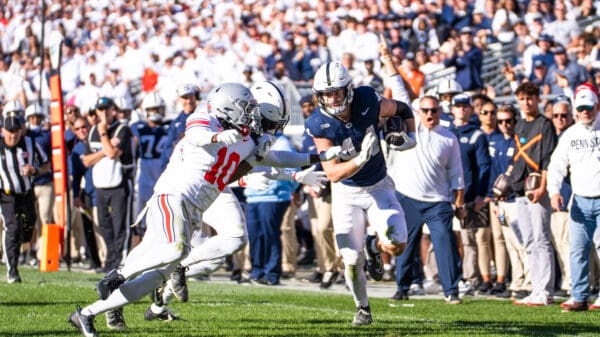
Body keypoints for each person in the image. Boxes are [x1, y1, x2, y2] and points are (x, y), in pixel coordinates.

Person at [69, 83, 262, 337]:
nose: (252, 115)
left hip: (196, 202)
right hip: (174, 195)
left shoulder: (244, 139)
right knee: (173, 250)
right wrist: (218, 137)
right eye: (247, 109)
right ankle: (120, 275)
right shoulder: (203, 119)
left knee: (155, 271)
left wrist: (310, 163)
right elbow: (195, 137)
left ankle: (90, 312)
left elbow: (266, 162)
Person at [305, 36, 414, 325]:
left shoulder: (367, 99)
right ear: (319, 96)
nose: (333, 100)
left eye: (338, 93)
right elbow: (333, 174)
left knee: (397, 243)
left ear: (349, 90)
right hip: (347, 192)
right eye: (327, 95)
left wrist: (410, 137)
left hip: (378, 186)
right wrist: (360, 159)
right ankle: (362, 308)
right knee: (351, 260)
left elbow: (403, 108)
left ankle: (375, 247)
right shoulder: (318, 123)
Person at [389, 95, 464, 304]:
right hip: (407, 197)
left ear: (440, 111)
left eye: (434, 110)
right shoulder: (410, 131)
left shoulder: (449, 138)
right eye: (425, 110)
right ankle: (402, 287)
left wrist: (460, 202)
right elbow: (400, 93)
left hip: (438, 201)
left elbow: (456, 173)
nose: (430, 114)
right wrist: (389, 62)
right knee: (404, 244)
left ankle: (451, 290)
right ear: (418, 112)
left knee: (444, 243)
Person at [548, 86, 600, 311]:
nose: (585, 112)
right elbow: (556, 165)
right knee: (577, 250)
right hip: (579, 200)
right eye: (581, 109)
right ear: (575, 111)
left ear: (597, 107)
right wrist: (554, 191)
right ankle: (579, 296)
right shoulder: (570, 134)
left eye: (589, 108)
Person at [510, 82, 558, 306]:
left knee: (541, 239)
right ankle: (535, 287)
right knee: (529, 240)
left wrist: (543, 187)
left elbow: (548, 158)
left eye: (530, 98)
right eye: (522, 98)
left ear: (538, 99)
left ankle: (546, 290)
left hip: (537, 187)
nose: (526, 102)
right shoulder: (519, 124)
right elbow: (517, 158)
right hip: (521, 188)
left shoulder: (544, 124)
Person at [82, 97, 135, 273]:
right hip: (101, 185)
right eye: (100, 109)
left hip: (119, 183)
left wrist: (104, 133)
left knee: (120, 226)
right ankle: (110, 261)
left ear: (114, 110)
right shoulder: (91, 132)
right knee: (104, 226)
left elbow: (113, 154)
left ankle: (121, 264)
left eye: (107, 109)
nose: (103, 113)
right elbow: (87, 160)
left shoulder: (122, 130)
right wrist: (104, 150)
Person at [1, 114, 50, 283]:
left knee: (29, 225)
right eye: (10, 131)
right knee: (12, 229)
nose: (13, 135)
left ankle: (22, 252)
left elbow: (46, 165)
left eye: (16, 131)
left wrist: (34, 170)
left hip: (27, 192)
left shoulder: (30, 143)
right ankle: (12, 271)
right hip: (7, 195)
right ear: (3, 130)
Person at [159, 83, 201, 170]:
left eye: (191, 97)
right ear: (179, 99)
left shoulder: (204, 115)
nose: (189, 101)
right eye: (185, 98)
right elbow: (168, 149)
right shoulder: (176, 123)